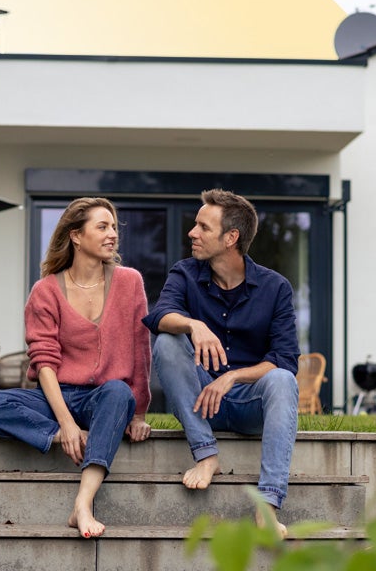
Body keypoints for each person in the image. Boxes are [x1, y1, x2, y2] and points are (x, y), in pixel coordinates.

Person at [0, 197, 152, 538]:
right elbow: (44, 363)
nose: (112, 233)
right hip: (57, 398)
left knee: (118, 391)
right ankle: (86, 436)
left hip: (104, 397)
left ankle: (82, 504)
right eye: (102, 226)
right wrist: (65, 427)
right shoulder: (46, 290)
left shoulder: (130, 282)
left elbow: (141, 348)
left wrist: (139, 412)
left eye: (114, 227)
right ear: (76, 236)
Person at [144, 188, 299, 535]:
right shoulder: (184, 273)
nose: (192, 233)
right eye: (195, 225)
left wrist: (233, 378)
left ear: (231, 238)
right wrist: (193, 325)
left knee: (282, 380)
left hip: (249, 403)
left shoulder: (276, 288)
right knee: (169, 342)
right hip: (200, 401)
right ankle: (206, 454)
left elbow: (285, 359)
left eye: (203, 227)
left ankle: (268, 506)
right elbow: (159, 316)